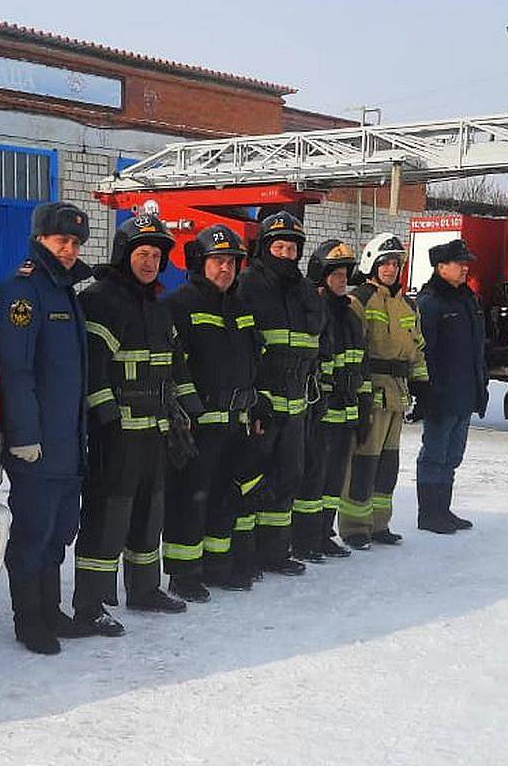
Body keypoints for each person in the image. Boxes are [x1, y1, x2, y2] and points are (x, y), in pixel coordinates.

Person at [75, 212, 203, 628]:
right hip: (118, 434)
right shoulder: (100, 299)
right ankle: (90, 604)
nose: (149, 262)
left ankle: (145, 590)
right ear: (123, 254)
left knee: (151, 513)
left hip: (157, 430)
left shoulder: (157, 306)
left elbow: (176, 365)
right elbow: (92, 367)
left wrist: (192, 412)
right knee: (107, 517)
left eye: (156, 255)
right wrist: (107, 422)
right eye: (142, 253)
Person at [0, 202, 96, 655]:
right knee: (33, 532)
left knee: (58, 531)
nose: (69, 250)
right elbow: (16, 371)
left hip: (67, 440)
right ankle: (29, 620)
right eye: (61, 241)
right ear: (40, 241)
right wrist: (24, 435)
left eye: (75, 243)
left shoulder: (65, 292)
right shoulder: (22, 292)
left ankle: (51, 611)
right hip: (37, 442)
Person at [162, 224, 262, 599]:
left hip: (236, 421)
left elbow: (255, 359)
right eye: (217, 261)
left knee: (225, 496)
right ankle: (184, 574)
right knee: (190, 498)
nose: (225, 269)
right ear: (199, 263)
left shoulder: (241, 308)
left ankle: (217, 566)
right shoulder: (179, 304)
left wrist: (256, 404)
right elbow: (174, 364)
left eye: (232, 262)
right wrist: (184, 413)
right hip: (198, 424)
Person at [233, 211, 323, 577]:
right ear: (265, 247)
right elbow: (241, 347)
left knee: (288, 478)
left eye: (291, 248)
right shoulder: (248, 285)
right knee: (252, 479)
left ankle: (275, 552)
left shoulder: (304, 290)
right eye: (278, 246)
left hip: (297, 404)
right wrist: (254, 399)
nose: (285, 254)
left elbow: (315, 340)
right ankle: (245, 555)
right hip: (262, 405)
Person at [339, 234, 429, 547]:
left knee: (387, 465)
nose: (390, 269)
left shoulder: (408, 305)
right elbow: (353, 349)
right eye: (385, 263)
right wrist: (358, 393)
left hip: (397, 394)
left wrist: (422, 385)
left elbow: (417, 348)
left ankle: (379, 524)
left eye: (395, 263)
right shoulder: (359, 300)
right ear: (372, 265)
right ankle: (354, 527)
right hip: (371, 391)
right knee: (363, 462)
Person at [291, 240, 363, 561]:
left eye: (345, 274)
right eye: (335, 274)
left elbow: (360, 363)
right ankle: (305, 539)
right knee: (313, 476)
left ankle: (324, 533)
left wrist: (361, 410)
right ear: (321, 276)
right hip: (319, 409)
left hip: (344, 411)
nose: (341, 280)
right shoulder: (316, 312)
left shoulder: (348, 315)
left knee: (334, 477)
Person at [414, 237, 487, 534]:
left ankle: (443, 510)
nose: (465, 269)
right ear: (441, 267)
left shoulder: (466, 299)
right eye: (460, 264)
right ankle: (429, 515)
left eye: (466, 264)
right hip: (441, 394)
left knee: (453, 455)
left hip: (465, 392)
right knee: (435, 454)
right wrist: (427, 390)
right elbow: (424, 351)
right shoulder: (431, 302)